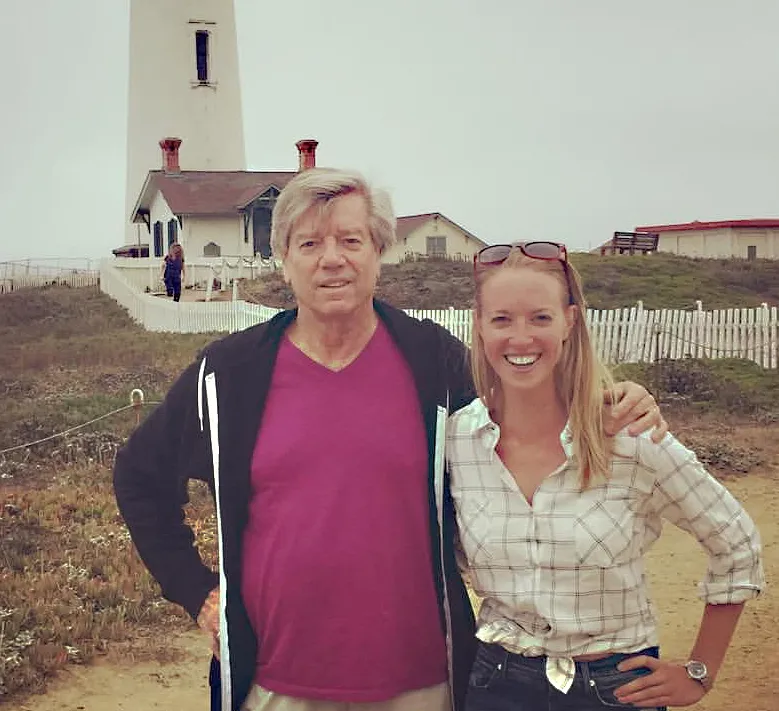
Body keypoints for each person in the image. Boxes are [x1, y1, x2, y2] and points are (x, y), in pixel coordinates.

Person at [112, 168, 667, 711]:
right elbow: (139, 475)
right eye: (309, 242)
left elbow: (531, 428)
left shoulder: (435, 362)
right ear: (283, 258)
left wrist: (606, 404)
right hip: (273, 682)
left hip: (421, 680)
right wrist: (198, 592)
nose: (332, 258)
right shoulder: (228, 375)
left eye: (351, 239)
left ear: (379, 251)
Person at [446, 242, 765, 711]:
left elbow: (736, 542)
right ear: (479, 325)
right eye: (501, 319)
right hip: (498, 685)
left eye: (540, 318)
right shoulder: (456, 442)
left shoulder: (630, 436)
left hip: (615, 689)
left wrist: (699, 672)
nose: (520, 337)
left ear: (569, 323)